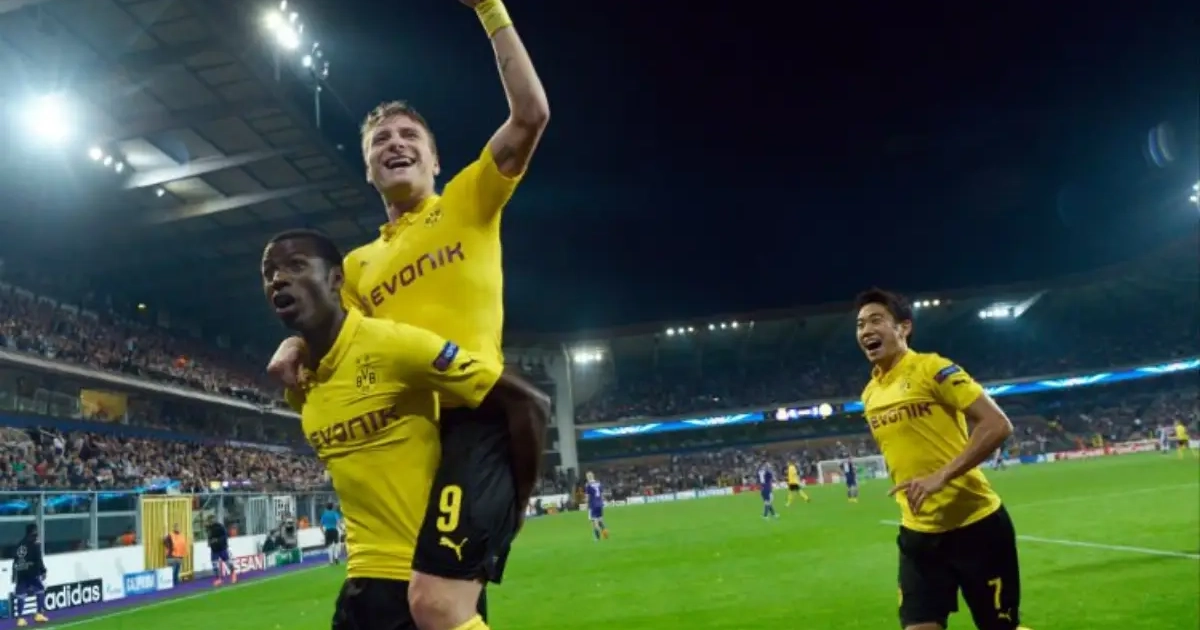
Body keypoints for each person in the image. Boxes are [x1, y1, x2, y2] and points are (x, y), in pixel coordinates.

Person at [268, 1, 549, 628]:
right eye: (380, 141)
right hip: (408, 438)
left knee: (434, 604)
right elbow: (331, 337)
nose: (395, 144)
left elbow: (531, 115)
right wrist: (292, 347)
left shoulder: (467, 202)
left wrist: (489, 8)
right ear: (369, 168)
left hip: (477, 417)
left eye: (409, 137)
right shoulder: (357, 266)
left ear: (435, 160)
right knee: (411, 606)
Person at [262, 229, 550, 630]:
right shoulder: (299, 386)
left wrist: (514, 506)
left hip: (427, 581)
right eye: (269, 272)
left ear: (336, 279)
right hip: (361, 584)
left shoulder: (393, 346)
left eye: (296, 265)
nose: (278, 278)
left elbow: (528, 402)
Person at [855, 288, 1030, 630]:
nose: (866, 330)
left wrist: (942, 476)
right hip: (919, 535)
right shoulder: (870, 394)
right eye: (860, 325)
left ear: (904, 327)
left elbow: (997, 424)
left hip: (976, 526)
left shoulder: (933, 369)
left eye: (876, 320)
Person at [12, 524, 47, 627]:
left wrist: (14, 574)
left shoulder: (19, 544)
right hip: (32, 572)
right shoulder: (35, 543)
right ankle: (39, 614)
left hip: (21, 572)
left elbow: (15, 560)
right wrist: (43, 571)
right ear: (33, 531)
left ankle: (20, 618)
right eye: (35, 531)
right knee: (40, 590)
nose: (37, 533)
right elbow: (38, 558)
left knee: (21, 595)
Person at [208, 516, 237, 586]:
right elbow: (210, 537)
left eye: (211, 520)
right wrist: (209, 542)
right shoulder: (209, 529)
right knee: (214, 564)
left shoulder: (220, 527)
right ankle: (218, 579)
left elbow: (225, 536)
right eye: (209, 521)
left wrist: (218, 541)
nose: (210, 522)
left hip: (222, 548)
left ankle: (233, 574)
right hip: (214, 550)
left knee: (227, 562)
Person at [583, 472, 609, 541]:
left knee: (594, 522)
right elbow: (602, 494)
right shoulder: (598, 483)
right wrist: (602, 502)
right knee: (600, 520)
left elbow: (587, 497)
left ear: (587, 477)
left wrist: (586, 505)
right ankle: (605, 533)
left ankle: (597, 538)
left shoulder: (588, 485)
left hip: (592, 505)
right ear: (593, 476)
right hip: (599, 504)